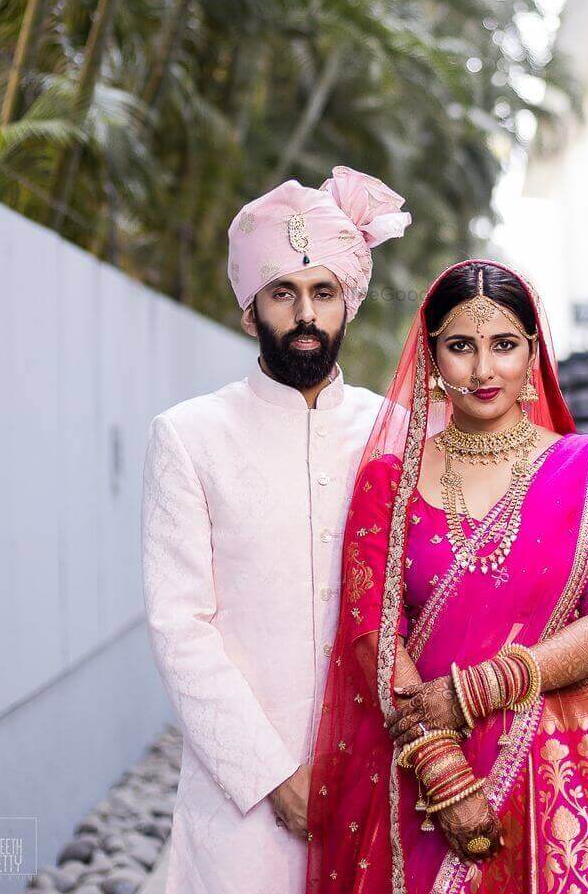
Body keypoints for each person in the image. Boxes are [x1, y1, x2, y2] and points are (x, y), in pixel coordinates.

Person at [306, 259, 588, 894]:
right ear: (432, 357)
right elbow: (372, 630)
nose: (484, 370)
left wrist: (477, 691)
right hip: (429, 767)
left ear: (534, 352)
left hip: (565, 769)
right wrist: (442, 772)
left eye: (504, 345)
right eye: (461, 346)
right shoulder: (389, 479)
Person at [141, 166, 411, 893]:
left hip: (380, 780)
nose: (304, 313)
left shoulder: (400, 436)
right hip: (241, 804)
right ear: (247, 307)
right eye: (282, 292)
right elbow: (180, 626)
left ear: (348, 303)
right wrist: (271, 775)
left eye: (323, 292)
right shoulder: (190, 437)